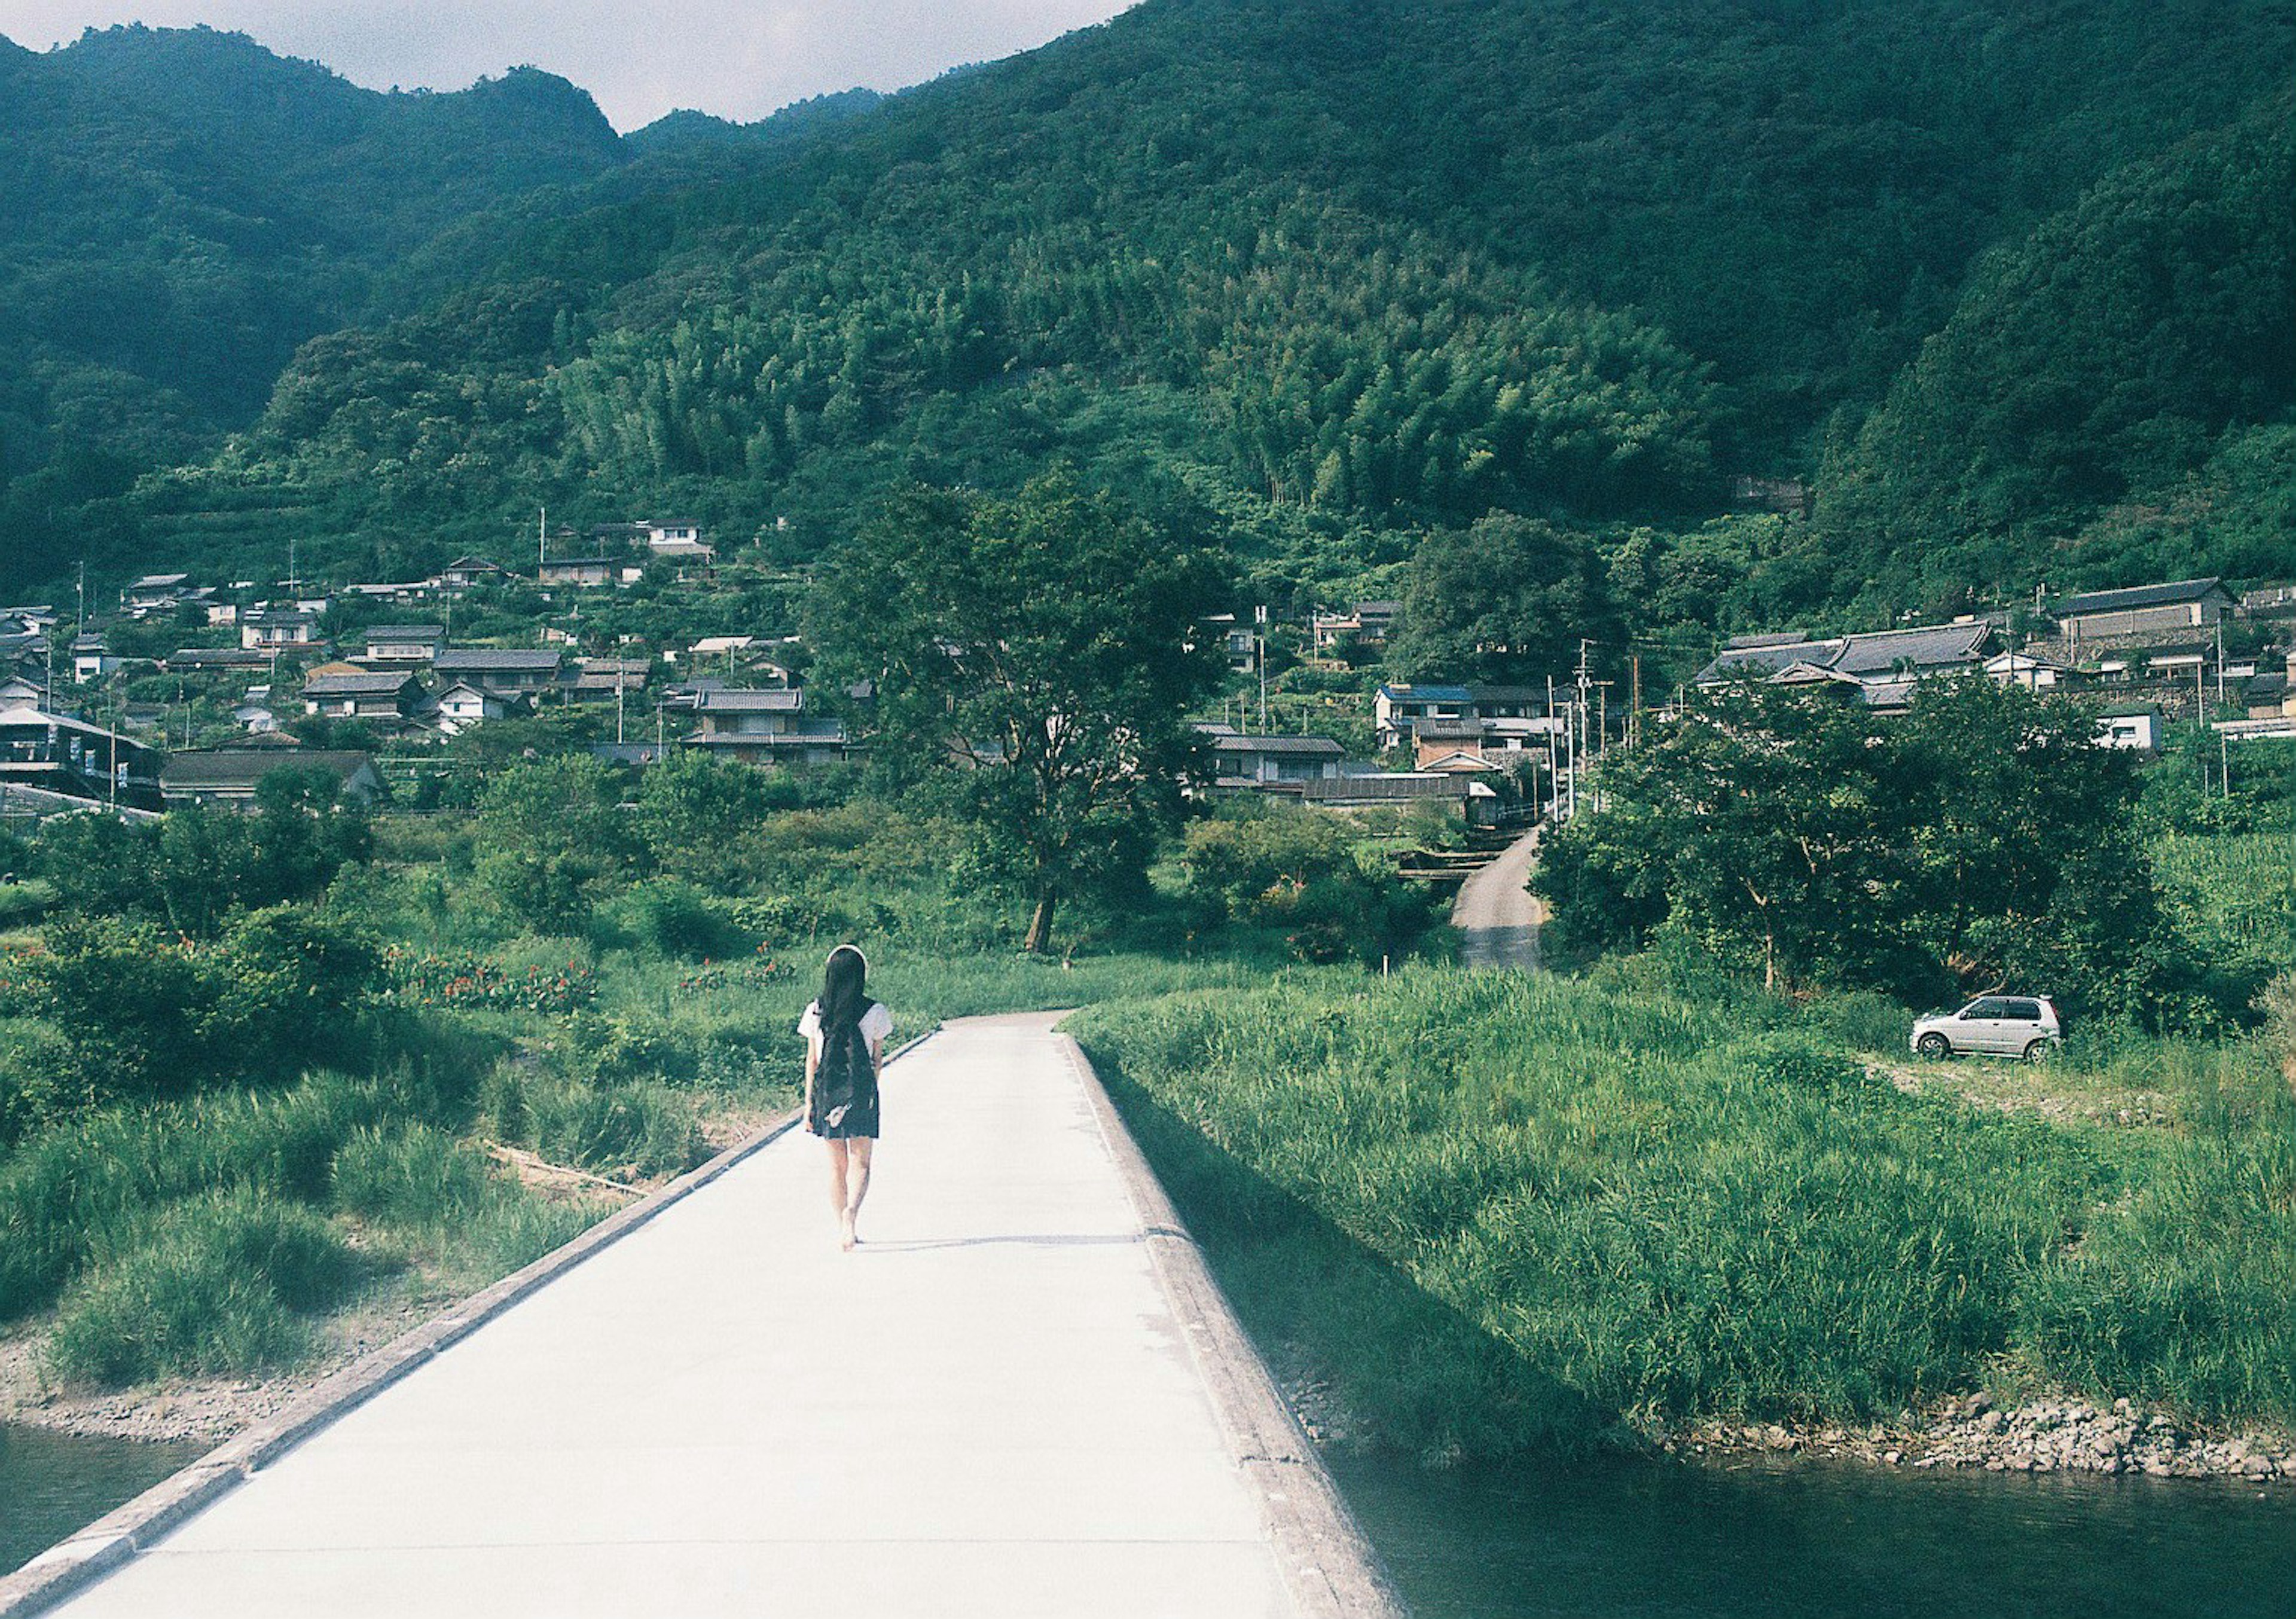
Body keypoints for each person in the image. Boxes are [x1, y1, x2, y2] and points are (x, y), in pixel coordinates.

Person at [798, 945, 893, 1250]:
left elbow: (812, 1061)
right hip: (861, 1091)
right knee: (861, 1162)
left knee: (836, 1165)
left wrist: (809, 1104)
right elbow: (877, 1060)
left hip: (827, 1092)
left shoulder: (816, 1011)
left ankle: (842, 1225)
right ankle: (853, 1212)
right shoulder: (875, 1011)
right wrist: (869, 1091)